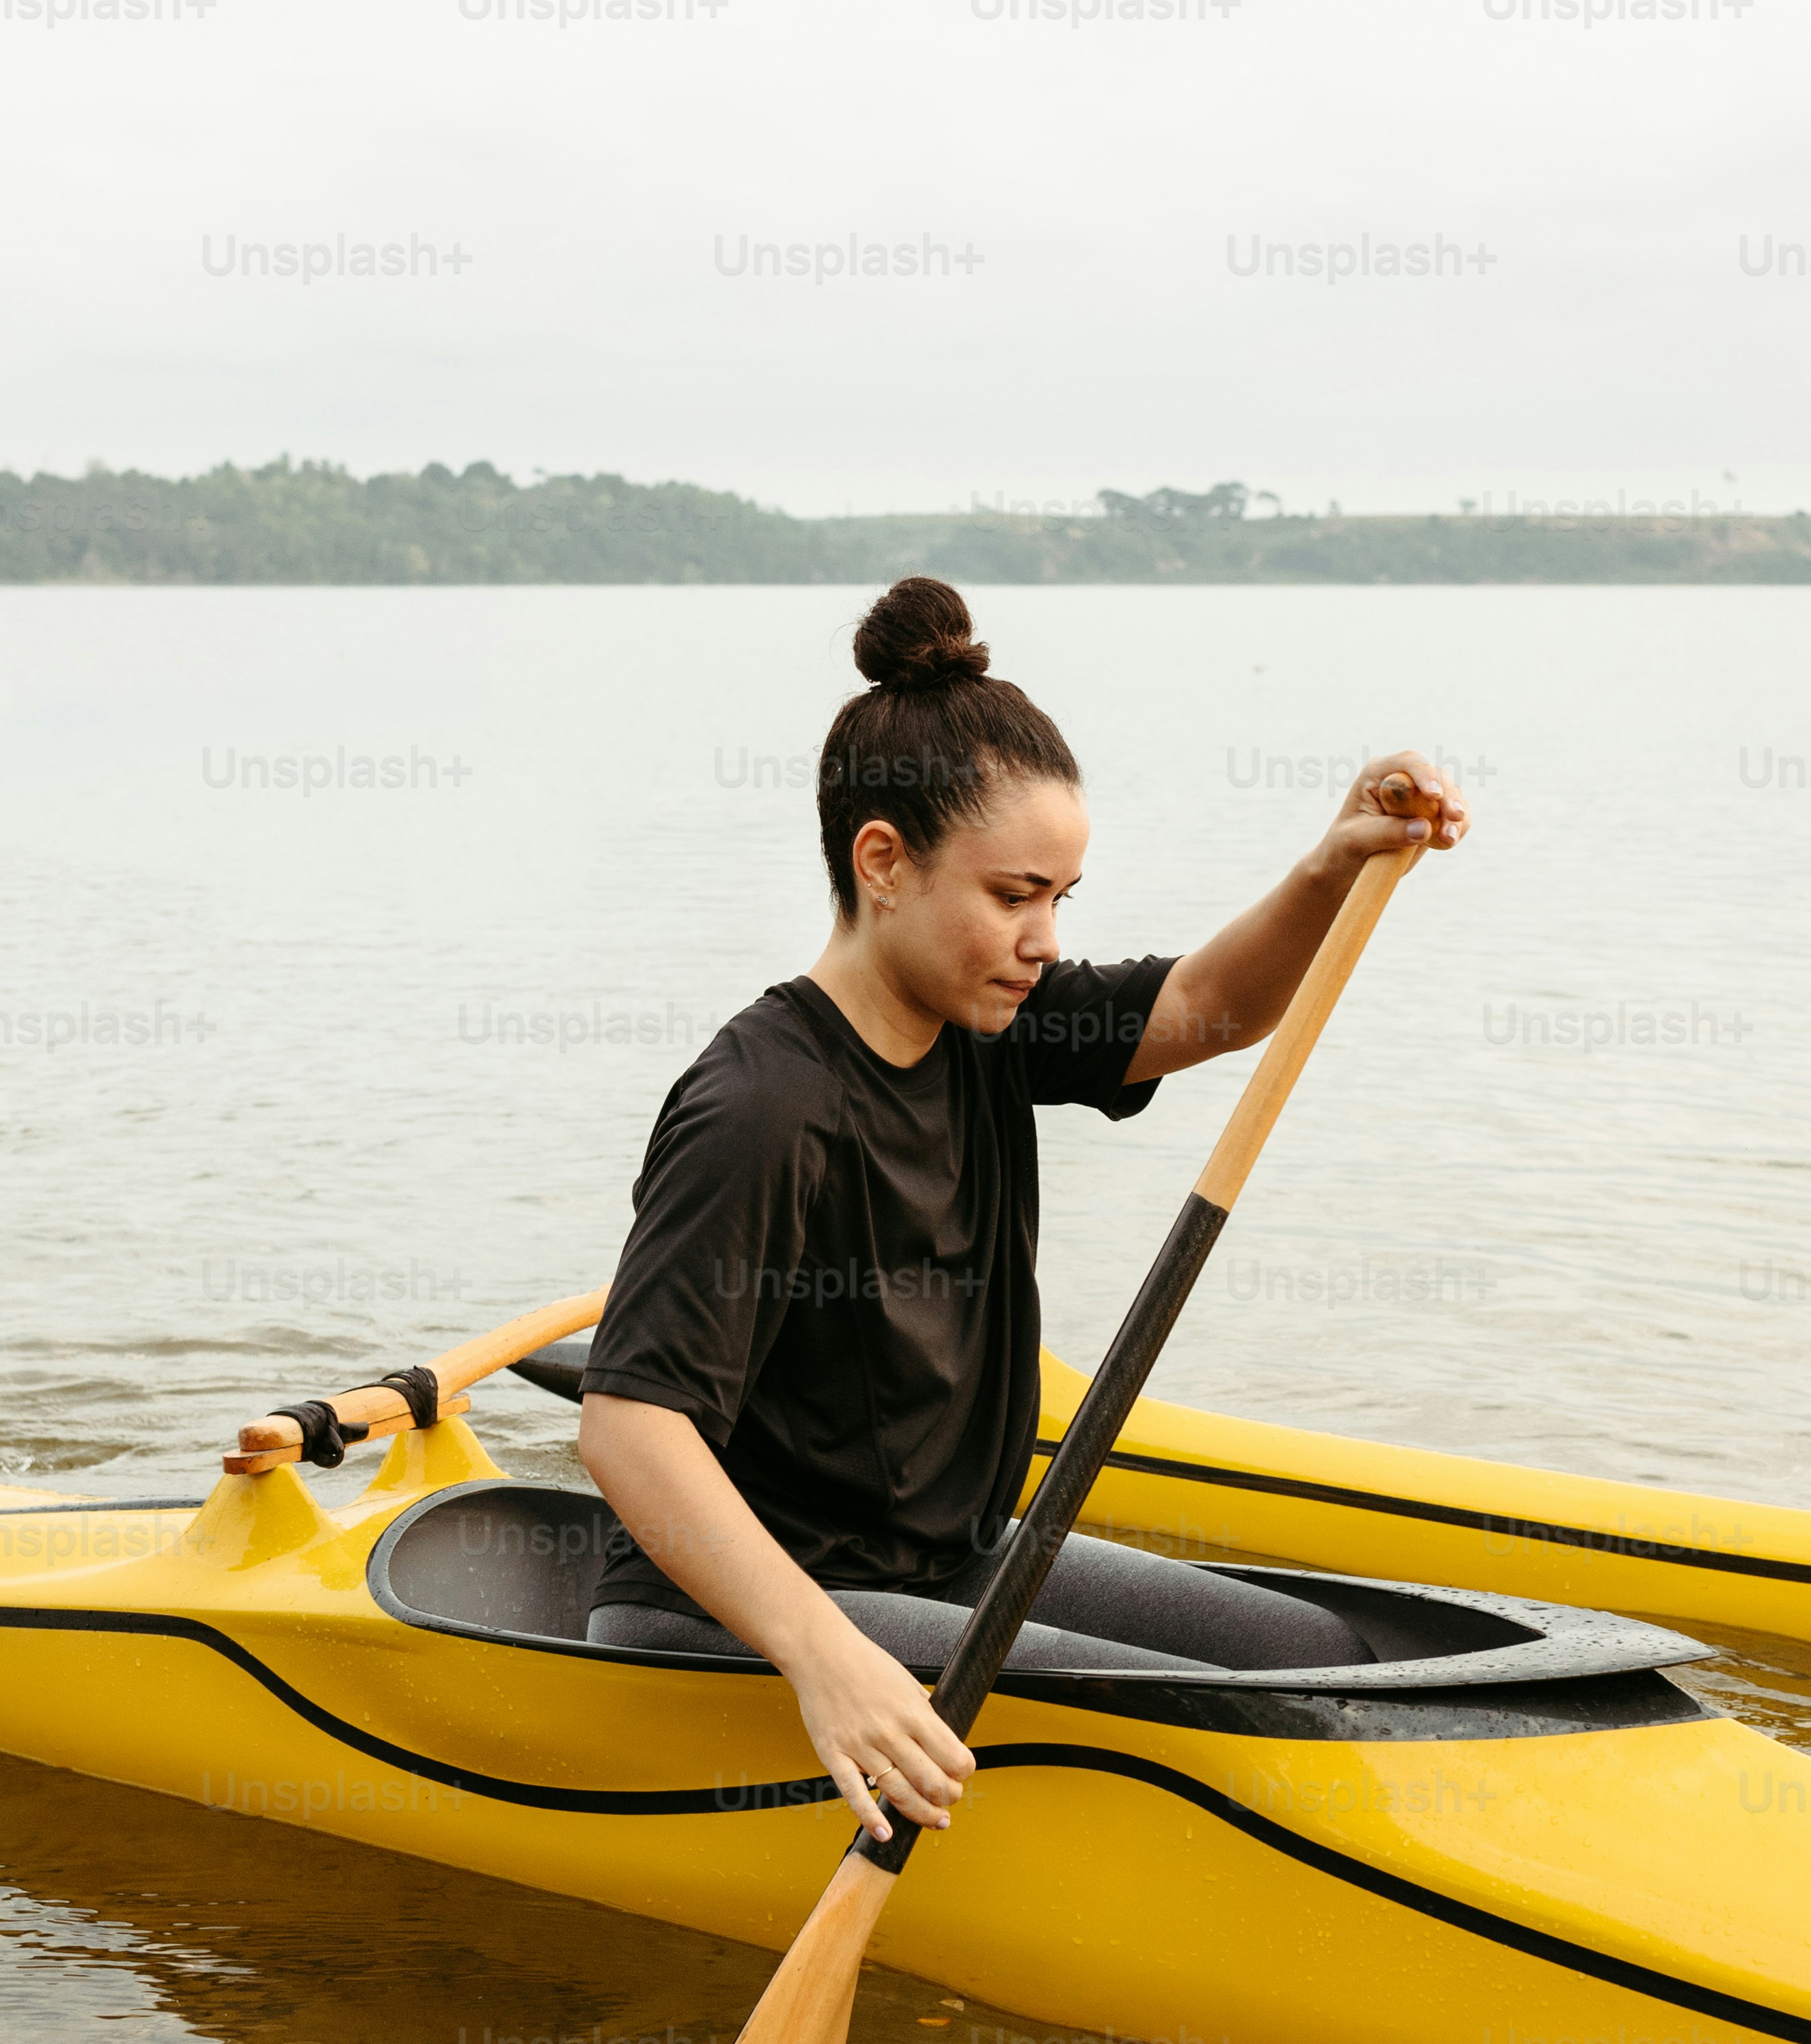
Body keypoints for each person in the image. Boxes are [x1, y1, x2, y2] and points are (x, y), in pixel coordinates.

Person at [577, 577, 1467, 1845]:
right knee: (1222, 1721)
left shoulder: (986, 1016)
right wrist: (828, 1664)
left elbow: (1211, 1009)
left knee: (1309, 1654)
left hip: (943, 1561)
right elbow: (629, 1429)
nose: (1043, 936)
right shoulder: (762, 1106)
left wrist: (1331, 863)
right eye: (1014, 894)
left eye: (1063, 898)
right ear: (882, 862)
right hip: (742, 1608)